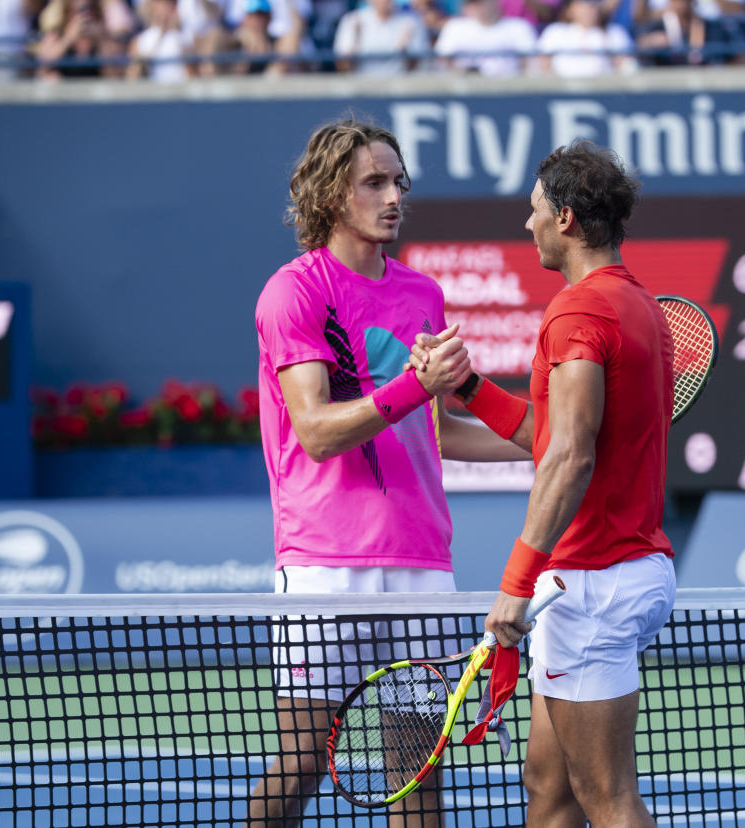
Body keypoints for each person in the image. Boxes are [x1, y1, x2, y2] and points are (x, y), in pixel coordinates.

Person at [248, 119, 530, 828]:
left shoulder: (422, 296)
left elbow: (434, 434)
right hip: (323, 565)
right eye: (374, 181)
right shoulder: (292, 293)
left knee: (416, 778)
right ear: (331, 193)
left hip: (420, 565)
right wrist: (415, 384)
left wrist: (547, 441)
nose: (393, 195)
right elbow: (315, 431)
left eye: (398, 181)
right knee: (305, 761)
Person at [412, 142, 676, 827]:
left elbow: (570, 458)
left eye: (532, 209)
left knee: (608, 798)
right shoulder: (636, 305)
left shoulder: (578, 312)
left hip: (593, 577)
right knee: (549, 790)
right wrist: (468, 387)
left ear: (564, 219)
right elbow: (553, 437)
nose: (524, 223)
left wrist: (516, 578)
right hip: (611, 573)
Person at [433, 0, 539, 75]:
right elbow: (442, 62)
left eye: (480, 2)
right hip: (466, 90)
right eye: (471, 3)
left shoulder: (519, 27)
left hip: (510, 90)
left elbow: (532, 65)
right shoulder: (455, 27)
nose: (476, 7)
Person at [535, 0, 636, 77]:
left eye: (592, 4)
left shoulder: (614, 33)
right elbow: (542, 65)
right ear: (570, 9)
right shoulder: (555, 31)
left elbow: (627, 67)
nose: (588, 9)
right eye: (582, 4)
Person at [332, 0, 430, 75]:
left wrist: (404, 51)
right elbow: (343, 66)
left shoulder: (412, 21)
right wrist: (354, 44)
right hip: (360, 88)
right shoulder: (352, 20)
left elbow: (416, 67)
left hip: (400, 87)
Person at [127, 0, 191, 82]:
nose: (164, 7)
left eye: (169, 3)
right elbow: (133, 77)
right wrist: (161, 36)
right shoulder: (140, 40)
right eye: (159, 3)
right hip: (153, 92)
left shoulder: (185, 37)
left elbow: (192, 75)